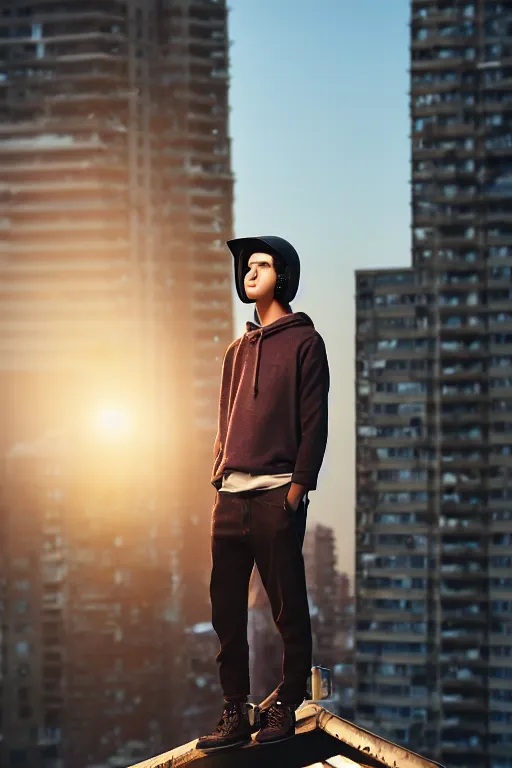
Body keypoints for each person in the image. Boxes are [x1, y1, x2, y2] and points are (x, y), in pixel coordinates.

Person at [196, 236, 330, 751]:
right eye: (246, 266)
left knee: (286, 608)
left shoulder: (305, 343)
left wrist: (295, 493)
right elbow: (224, 419)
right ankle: (235, 711)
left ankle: (287, 701)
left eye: (262, 264)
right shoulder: (236, 350)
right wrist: (219, 477)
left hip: (277, 495)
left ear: (285, 275)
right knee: (225, 610)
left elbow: (313, 424)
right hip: (230, 496)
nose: (250, 272)